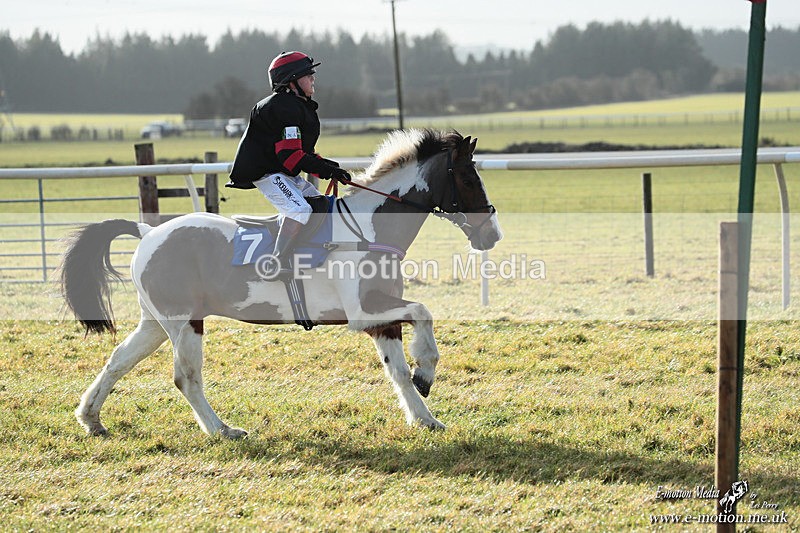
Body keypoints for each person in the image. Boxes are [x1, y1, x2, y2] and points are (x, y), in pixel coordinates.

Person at [226, 51, 351, 277]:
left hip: (285, 174)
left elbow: (303, 154)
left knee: (322, 205)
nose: (313, 78)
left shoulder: (299, 106)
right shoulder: (283, 107)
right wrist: (326, 170)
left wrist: (330, 168)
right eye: (308, 75)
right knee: (299, 210)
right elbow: (291, 157)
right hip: (268, 175)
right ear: (292, 81)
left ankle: (311, 253)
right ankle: (276, 261)